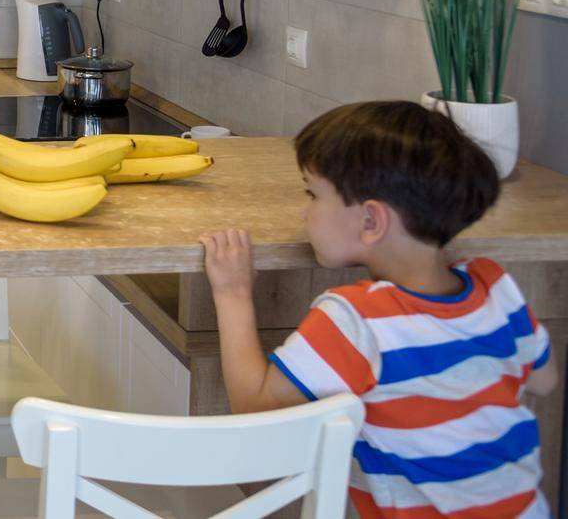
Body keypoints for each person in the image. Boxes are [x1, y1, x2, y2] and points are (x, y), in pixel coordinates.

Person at [199, 100, 558, 518]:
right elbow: (544, 380)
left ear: (371, 222)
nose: (303, 211)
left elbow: (256, 410)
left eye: (312, 194)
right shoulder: (494, 285)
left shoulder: (356, 321)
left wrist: (233, 292)